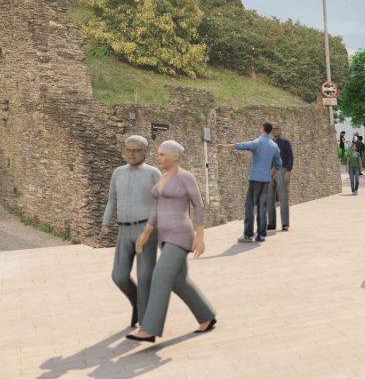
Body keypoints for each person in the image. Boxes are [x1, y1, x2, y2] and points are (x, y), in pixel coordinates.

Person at [127, 140, 215, 342]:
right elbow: (156, 208)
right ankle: (206, 316)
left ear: (175, 156)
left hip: (180, 234)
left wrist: (200, 236)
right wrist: (146, 233)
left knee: (160, 276)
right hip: (163, 236)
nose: (159, 158)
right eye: (158, 154)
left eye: (162, 154)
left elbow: (198, 205)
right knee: (179, 281)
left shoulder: (186, 177)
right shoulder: (164, 178)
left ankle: (149, 329)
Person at [102, 134, 162, 328]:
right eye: (128, 150)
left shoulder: (153, 173)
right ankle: (137, 303)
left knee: (145, 276)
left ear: (145, 152)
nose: (132, 154)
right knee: (118, 276)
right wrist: (105, 222)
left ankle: (147, 323)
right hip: (124, 230)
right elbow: (112, 198)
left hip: (146, 229)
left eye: (136, 150)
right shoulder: (118, 172)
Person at [226, 122, 281, 242]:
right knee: (262, 207)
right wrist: (270, 176)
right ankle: (261, 235)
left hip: (255, 180)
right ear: (271, 131)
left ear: (262, 129)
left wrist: (225, 146)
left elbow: (241, 145)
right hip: (265, 181)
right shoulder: (274, 146)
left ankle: (248, 235)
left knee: (249, 206)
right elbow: (278, 164)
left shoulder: (257, 142)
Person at [267, 128, 294, 232]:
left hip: (281, 170)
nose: (274, 131)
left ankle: (285, 224)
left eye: (276, 129)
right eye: (272, 130)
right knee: (269, 198)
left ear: (280, 130)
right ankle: (271, 224)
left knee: (283, 198)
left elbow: (290, 157)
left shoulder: (285, 142)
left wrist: (288, 171)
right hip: (269, 171)